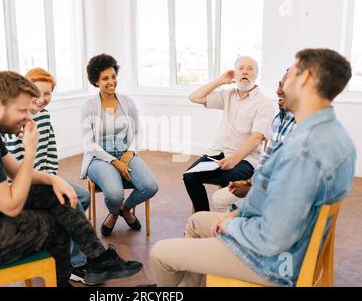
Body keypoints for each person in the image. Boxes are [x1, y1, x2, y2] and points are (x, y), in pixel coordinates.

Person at [151, 48, 355, 287]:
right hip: (280, 239)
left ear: (306, 78)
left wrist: (232, 225)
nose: (283, 83)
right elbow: (280, 199)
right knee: (196, 222)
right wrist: (237, 213)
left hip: (271, 262)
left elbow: (273, 238)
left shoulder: (304, 150)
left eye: (292, 73)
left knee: (161, 253)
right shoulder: (333, 134)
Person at [0, 71, 143, 287]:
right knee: (59, 224)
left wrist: (53, 180)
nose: (28, 116)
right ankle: (68, 278)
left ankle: (98, 259)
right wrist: (30, 150)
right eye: (22, 110)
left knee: (56, 195)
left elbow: (15, 172)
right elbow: (12, 206)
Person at [2, 67, 91, 283]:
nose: (42, 99)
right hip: (22, 187)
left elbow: (51, 150)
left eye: (48, 93)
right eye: (37, 92)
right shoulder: (17, 121)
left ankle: (59, 247)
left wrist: (52, 178)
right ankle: (76, 263)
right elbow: (16, 167)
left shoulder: (44, 115)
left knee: (83, 196)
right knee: (70, 203)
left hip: (43, 179)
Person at [80, 54, 158, 236]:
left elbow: (138, 132)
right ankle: (117, 210)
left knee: (150, 186)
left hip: (125, 153)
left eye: (113, 76)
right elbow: (88, 143)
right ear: (95, 81)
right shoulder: (88, 106)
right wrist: (114, 162)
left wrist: (130, 153)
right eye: (105, 78)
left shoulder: (128, 102)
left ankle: (122, 210)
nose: (111, 81)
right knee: (114, 195)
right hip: (99, 157)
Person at [184, 56, 274, 212]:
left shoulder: (263, 103)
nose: (245, 72)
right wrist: (220, 80)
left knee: (228, 178)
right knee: (189, 176)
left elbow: (256, 137)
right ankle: (202, 218)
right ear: (235, 74)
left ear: (256, 74)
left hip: (245, 158)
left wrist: (233, 159)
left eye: (250, 68)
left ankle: (227, 222)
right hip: (218, 153)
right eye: (241, 68)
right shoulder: (227, 95)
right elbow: (194, 97)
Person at [211, 71, 296, 212]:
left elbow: (291, 178)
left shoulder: (306, 129)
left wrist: (256, 189)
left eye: (285, 87)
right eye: (279, 85)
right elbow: (268, 161)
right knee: (218, 199)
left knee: (214, 208)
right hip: (264, 183)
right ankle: (226, 226)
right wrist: (250, 183)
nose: (278, 91)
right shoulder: (280, 118)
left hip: (278, 198)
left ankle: (227, 229)